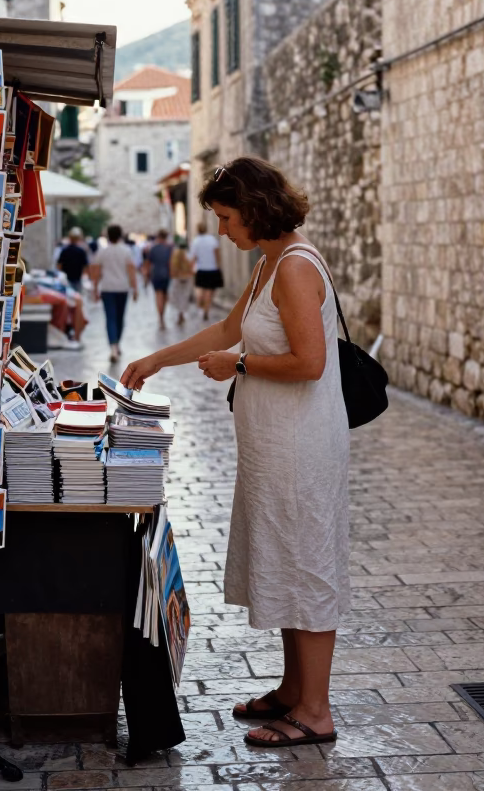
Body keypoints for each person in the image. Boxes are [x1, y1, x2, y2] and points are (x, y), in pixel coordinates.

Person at [120, 157, 348, 751]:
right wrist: (154, 360)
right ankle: (293, 689)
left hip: (301, 448)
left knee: (307, 567)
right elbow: (226, 330)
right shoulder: (270, 263)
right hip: (274, 447)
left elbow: (310, 362)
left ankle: (316, 712)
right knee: (286, 562)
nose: (221, 230)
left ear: (253, 209)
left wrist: (240, 365)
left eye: (225, 218)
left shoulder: (295, 268)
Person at [90, 224, 139, 363]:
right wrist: (135, 289)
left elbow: (97, 273)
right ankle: (117, 344)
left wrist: (95, 289)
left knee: (110, 318)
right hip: (122, 288)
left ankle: (113, 346)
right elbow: (131, 271)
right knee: (120, 318)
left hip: (107, 288)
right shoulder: (126, 251)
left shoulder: (102, 251)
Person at [190, 220, 223, 320]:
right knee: (209, 291)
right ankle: (206, 310)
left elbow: (193, 257)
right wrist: (218, 265)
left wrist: (191, 268)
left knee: (200, 289)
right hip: (212, 269)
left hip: (201, 269)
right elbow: (217, 254)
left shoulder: (195, 241)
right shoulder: (212, 240)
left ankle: (200, 302)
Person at [143, 229, 174, 329]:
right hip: (166, 274)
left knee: (158, 295)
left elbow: (148, 263)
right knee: (164, 295)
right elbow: (171, 263)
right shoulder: (169, 248)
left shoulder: (153, 248)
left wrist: (146, 276)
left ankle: (160, 317)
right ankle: (162, 314)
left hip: (156, 274)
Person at [168, 236, 193, 326]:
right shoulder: (188, 253)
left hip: (177, 277)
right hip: (187, 276)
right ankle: (181, 314)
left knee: (178, 295)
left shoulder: (175, 253)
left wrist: (173, 274)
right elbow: (191, 264)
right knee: (184, 296)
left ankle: (180, 313)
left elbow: (172, 265)